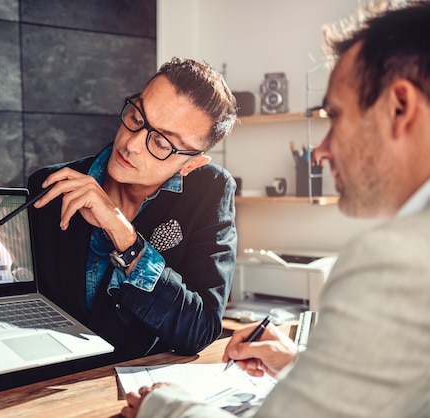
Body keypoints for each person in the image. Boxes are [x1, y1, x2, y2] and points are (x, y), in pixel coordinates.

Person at [121, 1, 430, 417]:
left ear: (400, 108)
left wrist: (161, 406)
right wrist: (302, 367)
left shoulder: (396, 262)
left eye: (334, 116)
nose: (320, 150)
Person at [25, 58, 238, 367]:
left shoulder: (211, 190)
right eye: (137, 117)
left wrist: (124, 235)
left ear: (191, 164)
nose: (132, 143)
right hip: (43, 384)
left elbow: (199, 329)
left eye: (162, 142)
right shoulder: (51, 185)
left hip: (134, 391)